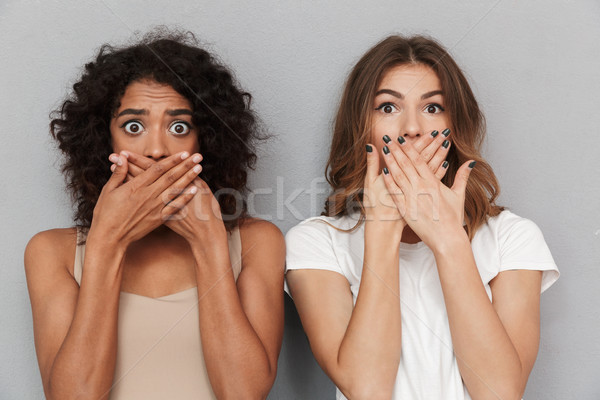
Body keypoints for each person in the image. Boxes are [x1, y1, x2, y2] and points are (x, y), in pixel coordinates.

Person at [285, 35, 559, 400]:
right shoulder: (316, 242)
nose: (412, 128)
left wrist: (448, 239)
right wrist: (383, 229)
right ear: (360, 127)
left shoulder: (513, 237)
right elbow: (367, 389)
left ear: (456, 123)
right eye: (387, 107)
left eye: (432, 108)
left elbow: (500, 392)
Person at [24, 30, 285, 400]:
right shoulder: (52, 252)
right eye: (134, 126)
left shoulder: (258, 242)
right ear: (104, 140)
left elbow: (243, 392)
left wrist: (210, 242)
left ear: (204, 141)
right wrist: (107, 241)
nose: (158, 149)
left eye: (179, 127)